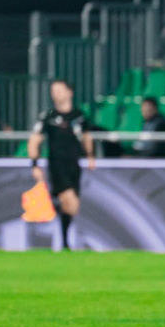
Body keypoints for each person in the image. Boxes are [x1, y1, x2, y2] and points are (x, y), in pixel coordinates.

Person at [28, 78, 95, 251]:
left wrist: (90, 156)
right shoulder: (48, 116)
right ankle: (65, 241)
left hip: (74, 164)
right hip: (57, 165)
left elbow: (87, 136)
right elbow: (35, 140)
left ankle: (56, 204)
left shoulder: (78, 116)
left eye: (59, 90)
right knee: (70, 203)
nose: (55, 94)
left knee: (73, 207)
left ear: (69, 92)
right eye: (53, 91)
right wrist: (34, 164)